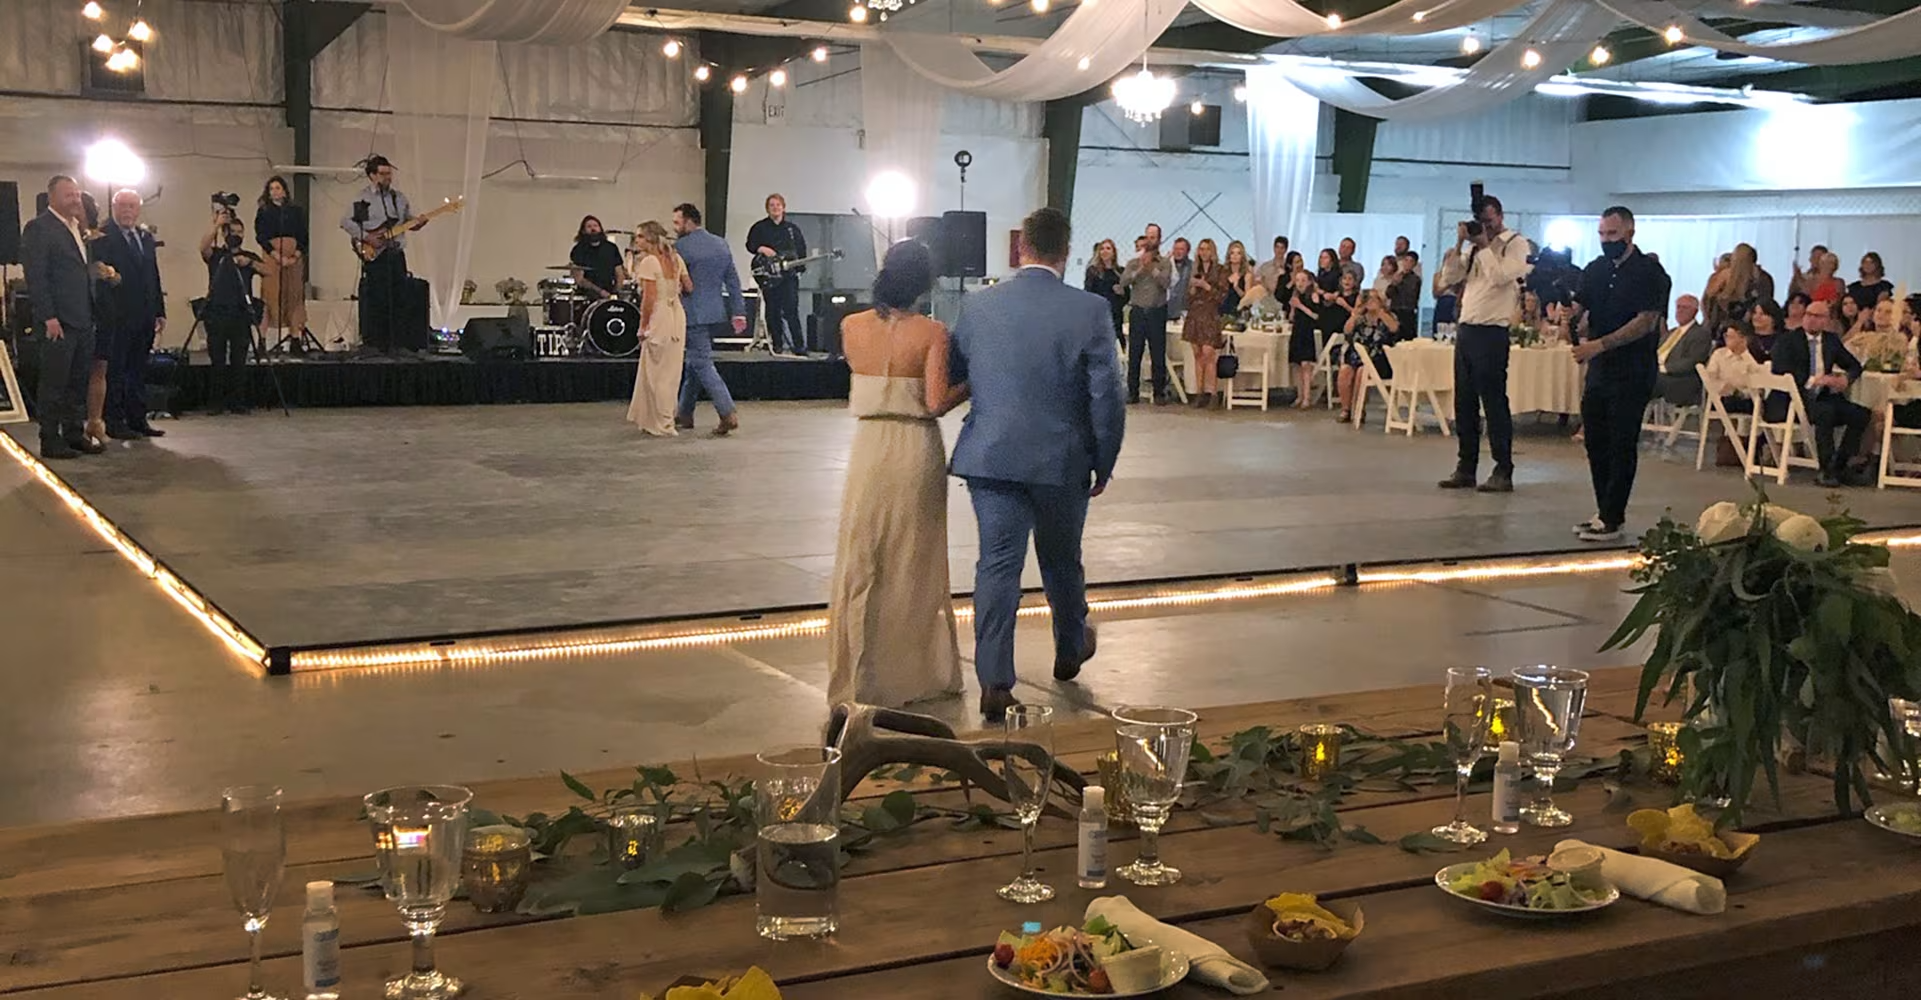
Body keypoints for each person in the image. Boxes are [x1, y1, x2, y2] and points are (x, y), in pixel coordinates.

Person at [949, 207, 1125, 721]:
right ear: (1066, 252)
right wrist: (1104, 461)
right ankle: (1070, 645)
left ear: (1020, 248)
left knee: (997, 564)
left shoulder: (977, 307)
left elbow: (962, 373)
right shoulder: (1090, 310)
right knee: (1060, 559)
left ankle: (994, 681)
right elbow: (1107, 397)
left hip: (991, 455)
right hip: (1061, 459)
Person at [826, 240, 968, 709]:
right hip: (915, 448)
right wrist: (973, 384)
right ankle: (916, 670)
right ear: (925, 283)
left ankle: (860, 675)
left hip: (868, 449)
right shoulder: (932, 333)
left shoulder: (850, 326)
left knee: (863, 560)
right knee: (915, 561)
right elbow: (935, 401)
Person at [1568, 206, 1670, 543]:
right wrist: (1568, 316)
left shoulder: (1650, 273)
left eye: (1612, 234)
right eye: (1601, 234)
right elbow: (1581, 309)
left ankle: (1614, 515)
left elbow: (1645, 321)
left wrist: (1600, 344)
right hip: (1600, 371)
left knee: (1621, 441)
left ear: (1629, 233)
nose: (1606, 240)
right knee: (1595, 439)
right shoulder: (1595, 269)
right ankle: (1603, 511)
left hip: (1633, 369)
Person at [1436, 194, 1533, 492]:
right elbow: (1448, 281)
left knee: (1493, 402)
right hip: (1466, 329)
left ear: (1500, 216)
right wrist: (1460, 244)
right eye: (1482, 223)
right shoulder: (1476, 249)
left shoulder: (1516, 243)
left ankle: (1503, 469)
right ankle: (1466, 467)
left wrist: (1484, 245)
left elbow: (1501, 277)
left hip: (1492, 332)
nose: (1486, 227)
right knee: (1463, 403)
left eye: (1489, 222)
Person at [22, 176, 102, 459]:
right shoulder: (39, 228)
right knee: (54, 382)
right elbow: (37, 276)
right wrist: (48, 316)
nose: (75, 200)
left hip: (82, 318)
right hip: (59, 320)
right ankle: (49, 438)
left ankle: (72, 433)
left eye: (77, 194)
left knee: (76, 382)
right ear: (52, 197)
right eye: (69, 195)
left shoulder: (76, 228)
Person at [91, 188, 166, 439]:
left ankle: (137, 418)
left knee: (138, 369)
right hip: (117, 315)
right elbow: (100, 279)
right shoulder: (102, 237)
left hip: (144, 315)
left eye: (131, 206)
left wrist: (159, 311)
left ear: (138, 209)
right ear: (114, 208)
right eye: (122, 205)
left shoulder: (144, 237)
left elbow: (153, 275)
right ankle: (114, 420)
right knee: (117, 370)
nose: (127, 211)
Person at [1771, 299, 1870, 487]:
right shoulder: (1788, 340)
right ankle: (1826, 469)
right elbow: (1780, 368)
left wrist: (1845, 379)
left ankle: (1839, 465)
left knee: (1861, 414)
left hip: (1824, 395)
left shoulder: (1831, 340)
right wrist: (1815, 380)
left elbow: (1854, 365)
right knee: (1826, 413)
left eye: (1817, 316)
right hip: (1795, 398)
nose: (1811, 320)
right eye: (1808, 315)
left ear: (1826, 320)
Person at [670, 203, 745, 436]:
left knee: (701, 363)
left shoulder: (680, 247)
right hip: (715, 311)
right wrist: (738, 311)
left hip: (691, 312)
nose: (674, 227)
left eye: (677, 222)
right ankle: (684, 413)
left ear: (689, 221)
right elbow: (732, 280)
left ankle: (727, 412)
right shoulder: (720, 243)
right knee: (694, 361)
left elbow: (676, 281)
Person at [338, 156, 419, 354]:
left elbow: (408, 221)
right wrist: (367, 237)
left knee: (399, 297)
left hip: (396, 252)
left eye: (389, 173)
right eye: (382, 174)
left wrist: (418, 222)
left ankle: (397, 342)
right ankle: (374, 342)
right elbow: (347, 222)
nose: (387, 178)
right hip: (376, 255)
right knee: (377, 298)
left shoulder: (398, 198)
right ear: (372, 176)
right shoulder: (363, 199)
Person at [622, 222, 687, 436]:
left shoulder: (649, 262)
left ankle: (658, 421)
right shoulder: (676, 259)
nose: (637, 240)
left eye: (640, 236)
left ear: (650, 239)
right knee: (671, 372)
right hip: (676, 315)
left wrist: (643, 326)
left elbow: (648, 299)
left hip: (660, 316)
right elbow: (689, 286)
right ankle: (665, 419)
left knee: (655, 372)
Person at [198, 209, 261, 415]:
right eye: (232, 230)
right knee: (217, 360)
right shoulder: (217, 255)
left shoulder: (248, 256)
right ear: (225, 233)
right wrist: (216, 224)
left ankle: (238, 401)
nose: (237, 234)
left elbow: (268, 270)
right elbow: (203, 247)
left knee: (239, 361)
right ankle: (215, 402)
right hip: (217, 312)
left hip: (241, 313)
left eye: (240, 231)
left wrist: (249, 262)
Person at [746, 193, 808, 355]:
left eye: (778, 205)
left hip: (789, 276)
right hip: (770, 276)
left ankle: (799, 346)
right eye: (772, 205)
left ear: (783, 207)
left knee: (791, 310)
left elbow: (802, 251)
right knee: (772, 310)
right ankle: (777, 345)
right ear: (767, 208)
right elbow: (750, 245)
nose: (775, 208)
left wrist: (800, 270)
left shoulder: (792, 229)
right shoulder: (759, 227)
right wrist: (762, 249)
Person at [1120, 230, 1173, 405]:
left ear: (1158, 240)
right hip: (1138, 311)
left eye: (1153, 237)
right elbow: (1124, 282)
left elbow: (1166, 284)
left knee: (1158, 353)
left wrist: (1152, 269)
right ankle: (1132, 392)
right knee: (1134, 353)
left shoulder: (1165, 263)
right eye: (1147, 236)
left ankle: (1159, 392)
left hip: (1157, 311)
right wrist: (1140, 269)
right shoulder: (1133, 262)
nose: (1150, 240)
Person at [254, 176, 308, 346]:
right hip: (272, 257)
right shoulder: (264, 211)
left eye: (277, 188)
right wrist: (276, 255)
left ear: (284, 190)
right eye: (271, 189)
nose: (274, 191)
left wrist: (295, 256)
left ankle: (295, 339)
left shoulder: (295, 211)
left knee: (294, 295)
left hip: (293, 257)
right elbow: (261, 236)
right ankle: (262, 340)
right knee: (270, 295)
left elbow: (303, 236)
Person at [1338, 290, 1406, 424]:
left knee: (1362, 372)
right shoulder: (1360, 318)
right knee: (1345, 370)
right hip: (1357, 357)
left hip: (1379, 359)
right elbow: (1347, 331)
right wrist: (1355, 313)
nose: (1370, 302)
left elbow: (1394, 329)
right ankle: (1346, 409)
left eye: (1374, 299)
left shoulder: (1388, 316)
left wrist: (1380, 312)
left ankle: (1359, 409)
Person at [1182, 238, 1228, 409]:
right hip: (1195, 314)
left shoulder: (1220, 270)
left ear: (1213, 251)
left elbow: (1222, 296)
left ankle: (1213, 393)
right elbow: (1188, 296)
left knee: (1209, 354)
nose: (1204, 252)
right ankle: (1199, 393)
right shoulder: (1195, 269)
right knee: (1197, 355)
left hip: (1210, 314)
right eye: (1201, 249)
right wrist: (1193, 288)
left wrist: (1206, 286)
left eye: (1207, 249)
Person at [1653, 294, 1711, 408]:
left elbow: (1693, 361)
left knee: (1648, 381)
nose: (1679, 311)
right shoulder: (1670, 333)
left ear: (1695, 311)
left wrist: (1663, 368)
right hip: (1659, 372)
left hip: (1681, 380)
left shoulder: (1700, 334)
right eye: (1678, 307)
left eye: (1684, 308)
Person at [1313, 269, 1359, 410]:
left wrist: (1344, 304)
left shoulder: (1357, 297)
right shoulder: (1336, 294)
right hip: (1331, 328)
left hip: (1345, 331)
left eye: (1350, 279)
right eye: (1344, 279)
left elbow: (1356, 313)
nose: (1347, 281)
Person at [1703, 322, 1767, 410]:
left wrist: (1744, 354)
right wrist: (1726, 388)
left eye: (1731, 337)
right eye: (1726, 336)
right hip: (1723, 396)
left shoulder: (1753, 355)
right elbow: (1710, 377)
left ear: (1743, 339)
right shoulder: (1719, 354)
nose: (1727, 339)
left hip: (1747, 397)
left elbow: (1758, 377)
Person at [569, 215, 629, 301]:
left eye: (595, 226)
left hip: (610, 292)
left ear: (600, 228)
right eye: (589, 226)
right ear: (583, 231)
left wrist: (616, 291)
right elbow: (580, 279)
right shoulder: (578, 250)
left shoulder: (611, 248)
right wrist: (600, 292)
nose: (593, 229)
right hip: (588, 294)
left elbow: (619, 273)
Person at [1283, 269, 1321, 401]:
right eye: (1298, 280)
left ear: (1309, 282)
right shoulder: (1295, 296)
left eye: (1303, 280)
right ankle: (1299, 396)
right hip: (1297, 331)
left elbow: (1316, 316)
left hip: (1307, 332)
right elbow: (1292, 318)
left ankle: (1307, 397)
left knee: (1306, 365)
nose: (1300, 283)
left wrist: (1300, 306)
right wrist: (1293, 308)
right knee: (1296, 365)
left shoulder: (1313, 296)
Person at [1083, 239, 1126, 347]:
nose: (1105, 251)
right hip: (1099, 316)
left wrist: (1122, 293)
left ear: (1113, 252)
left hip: (1115, 316)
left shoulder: (1120, 272)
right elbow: (1088, 293)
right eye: (1102, 249)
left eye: (1108, 248)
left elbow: (1127, 296)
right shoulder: (1093, 271)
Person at [1388, 251, 1421, 338]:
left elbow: (1412, 295)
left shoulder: (1416, 279)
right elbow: (1388, 294)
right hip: (1395, 310)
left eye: (1411, 261)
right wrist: (1394, 284)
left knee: (1407, 337)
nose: (1408, 263)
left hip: (1408, 312)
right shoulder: (1396, 276)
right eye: (1406, 260)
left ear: (1414, 264)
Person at [1253, 236, 1288, 311]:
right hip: (1266, 302)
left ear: (1285, 250)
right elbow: (1256, 282)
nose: (1279, 250)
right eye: (1277, 247)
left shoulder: (1288, 267)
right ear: (1274, 248)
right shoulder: (1265, 266)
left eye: (1282, 248)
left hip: (1284, 303)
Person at [1748, 298, 1786, 362]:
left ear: (1773, 317)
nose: (1757, 317)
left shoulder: (1784, 340)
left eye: (1762, 314)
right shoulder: (1745, 339)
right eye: (1755, 313)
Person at [1166, 237, 1193, 320]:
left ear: (1187, 251)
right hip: (1165, 309)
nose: (1178, 252)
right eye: (1176, 249)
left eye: (1181, 249)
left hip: (1183, 311)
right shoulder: (1166, 265)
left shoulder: (1193, 267)